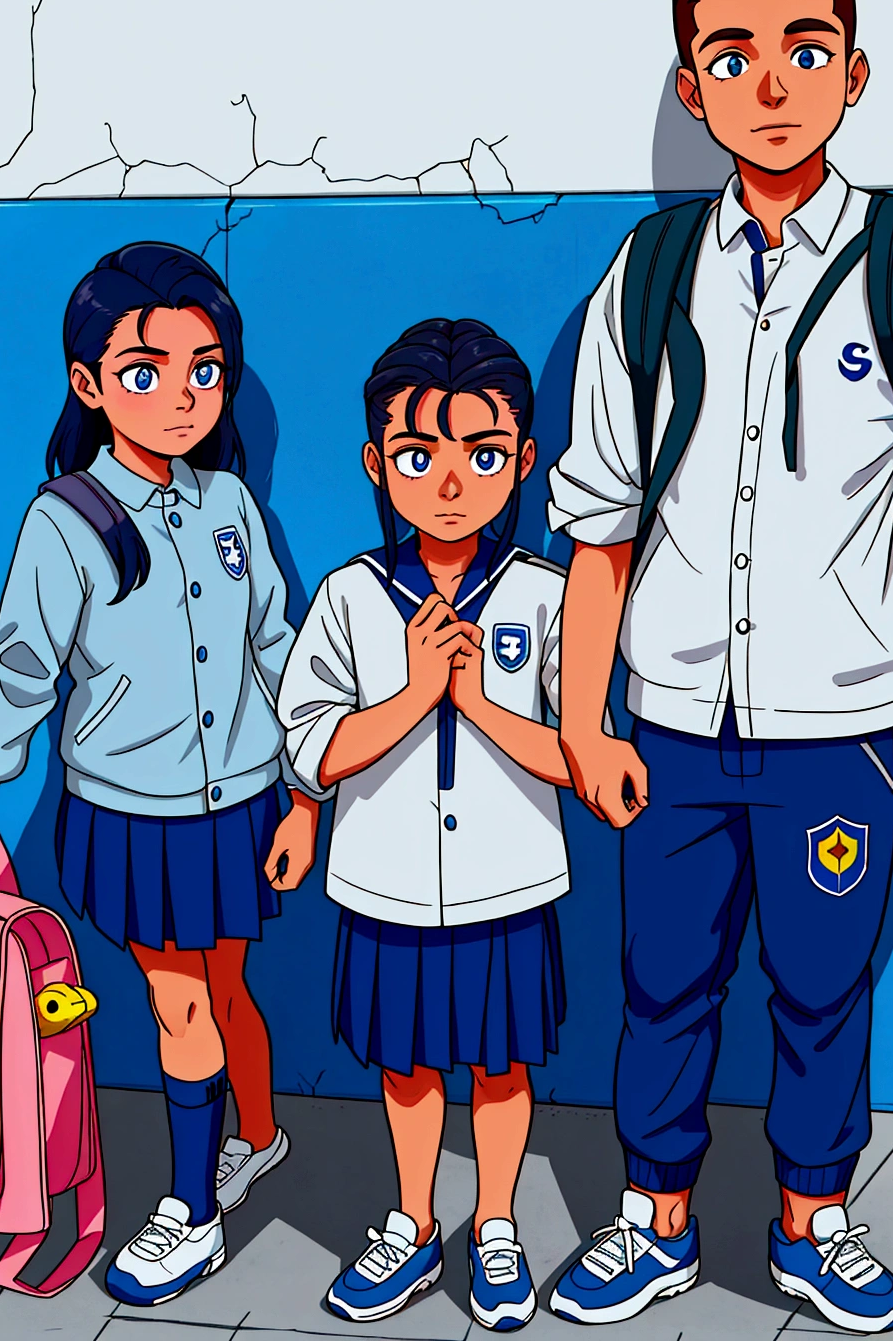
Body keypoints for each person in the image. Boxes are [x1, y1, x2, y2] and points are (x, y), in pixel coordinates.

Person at [546, 0, 893, 1334]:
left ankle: (815, 1221)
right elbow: (601, 519)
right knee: (663, 980)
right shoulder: (651, 271)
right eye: (731, 54)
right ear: (694, 86)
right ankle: (654, 1222)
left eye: (804, 49)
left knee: (819, 987)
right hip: (673, 715)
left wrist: (882, 452)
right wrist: (581, 723)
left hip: (836, 722)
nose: (769, 80)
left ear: (852, 73)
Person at [0, 242, 321, 1307]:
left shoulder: (228, 506)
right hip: (135, 817)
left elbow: (277, 646)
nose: (181, 395)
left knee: (224, 987)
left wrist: (311, 780)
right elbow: (23, 669)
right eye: (145, 371)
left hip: (244, 800)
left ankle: (251, 1147)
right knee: (180, 998)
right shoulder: (64, 521)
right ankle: (194, 1208)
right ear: (89, 385)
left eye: (205, 368)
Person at [279, 319, 570, 1331]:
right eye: (417, 456)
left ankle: (494, 1224)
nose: (450, 484)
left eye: (482, 456)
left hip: (508, 880)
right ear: (375, 462)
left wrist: (476, 700)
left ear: (524, 460)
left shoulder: (544, 593)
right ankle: (410, 1224)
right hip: (385, 879)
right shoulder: (352, 597)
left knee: (501, 1061)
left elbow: (576, 753)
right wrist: (412, 695)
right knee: (406, 1063)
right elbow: (308, 746)